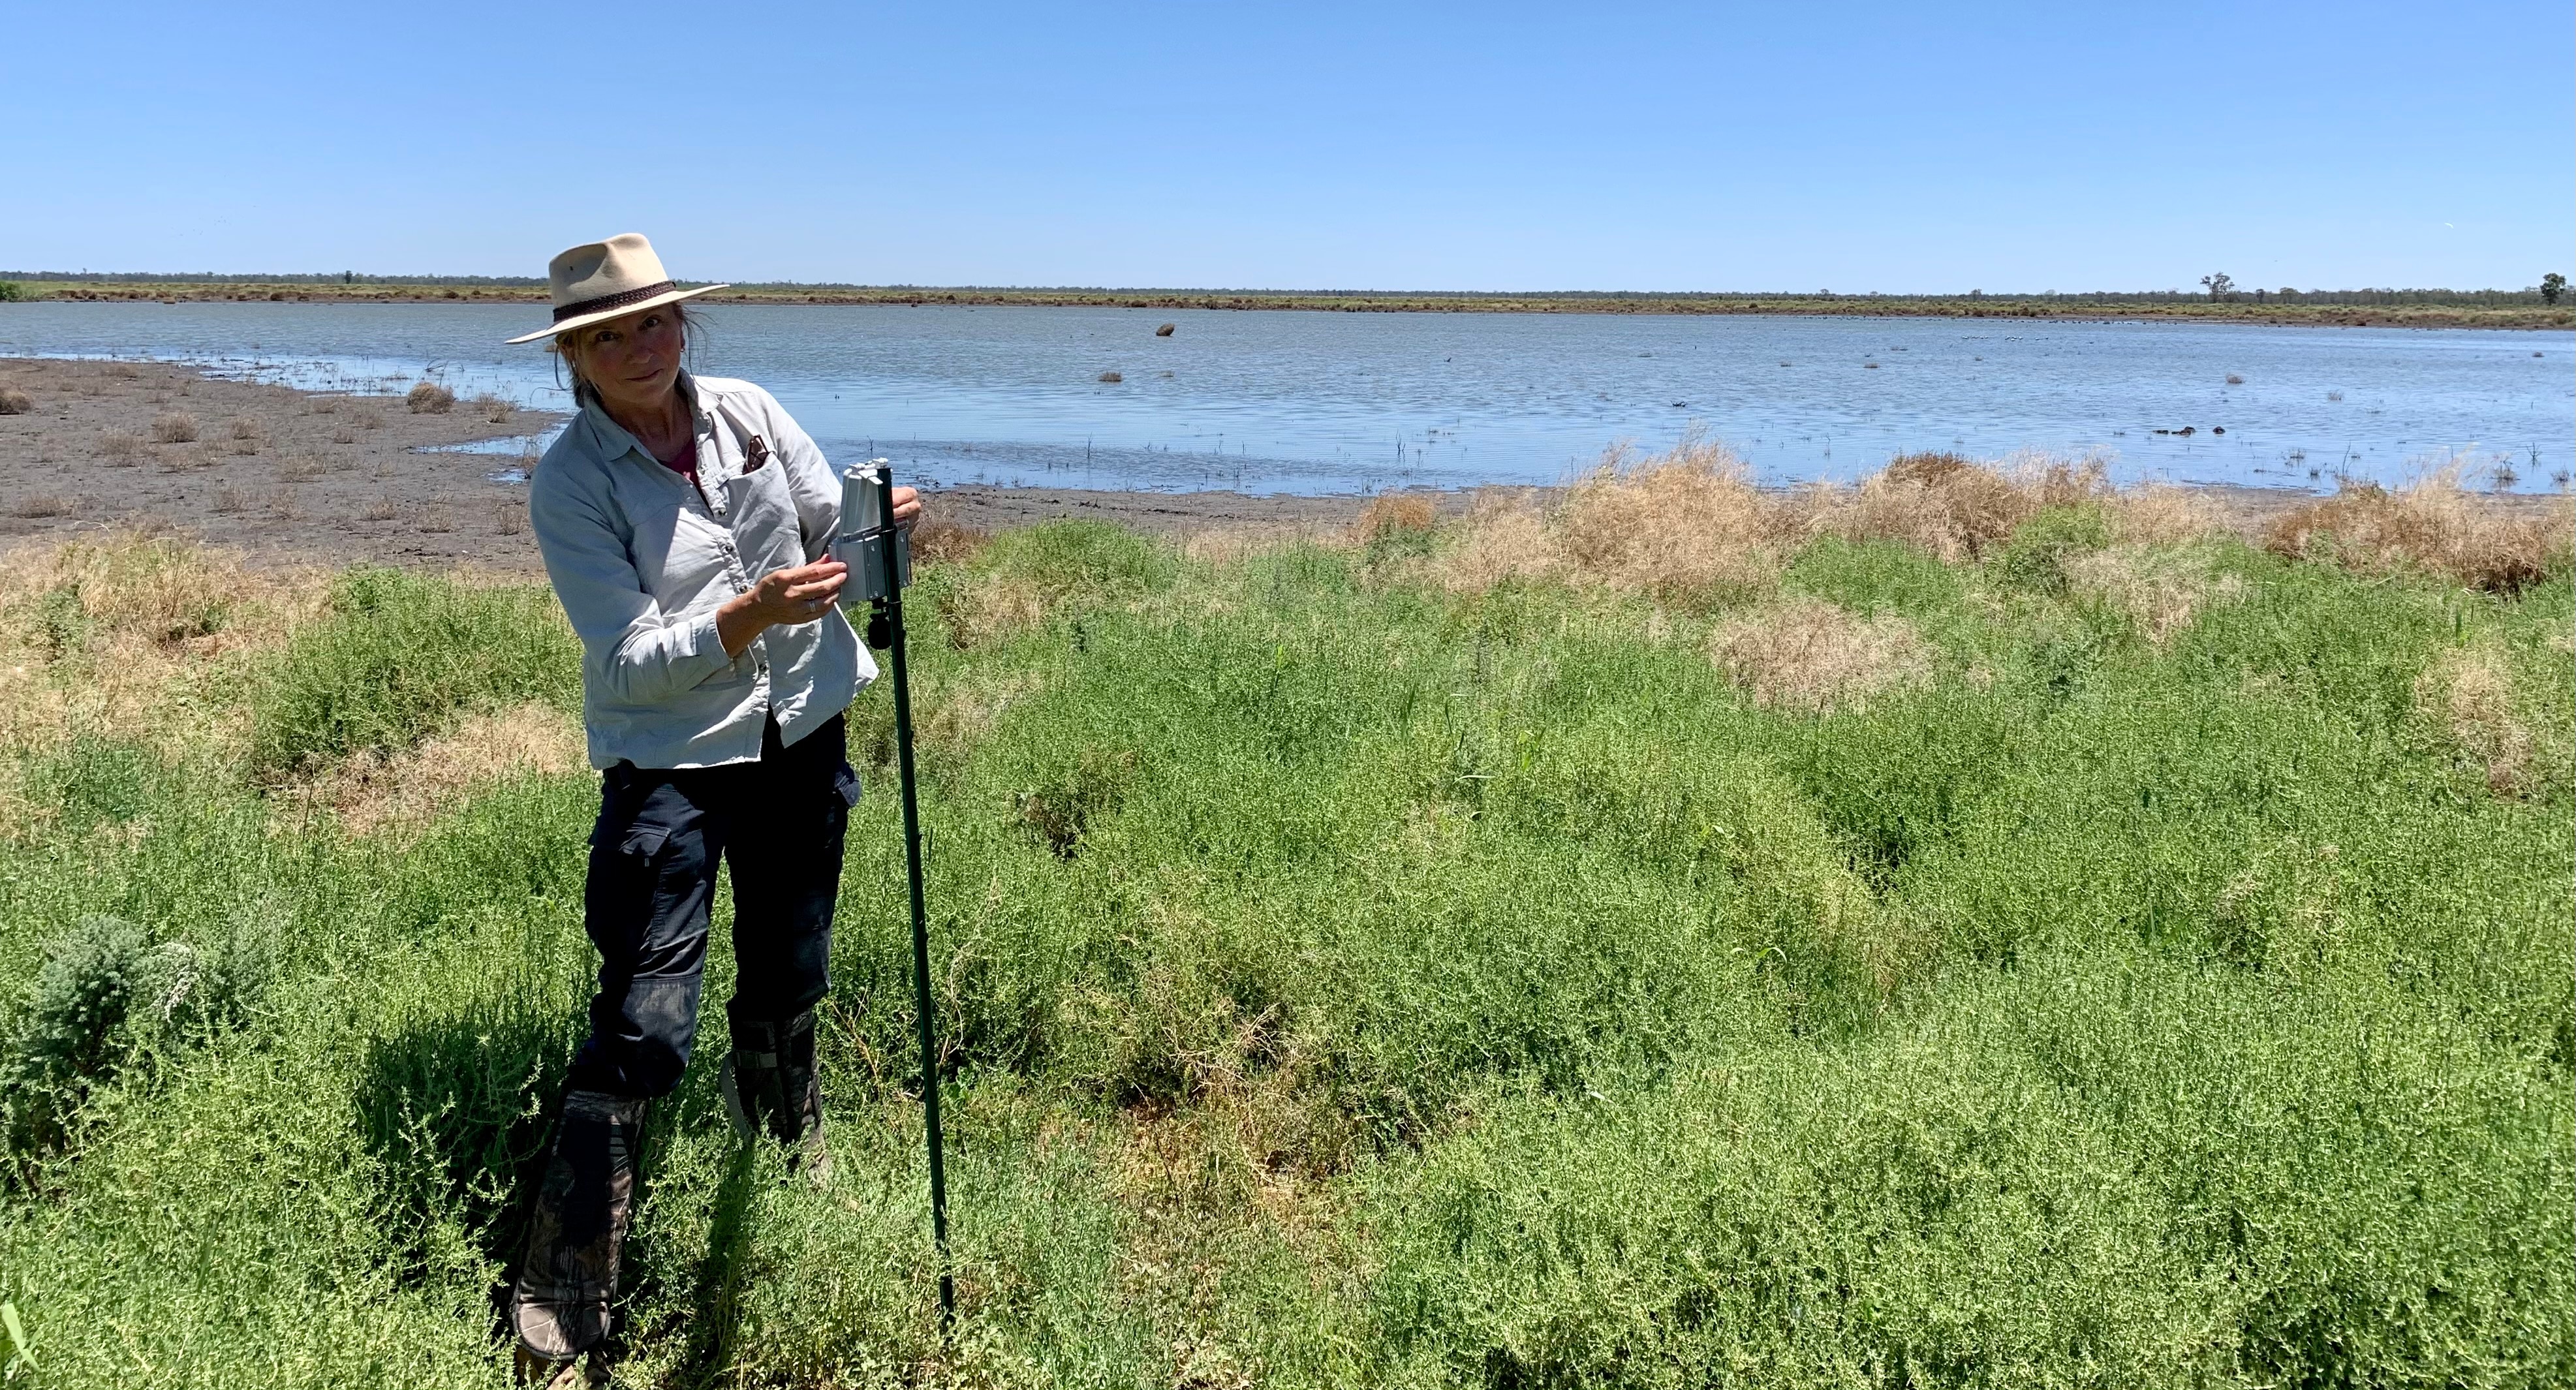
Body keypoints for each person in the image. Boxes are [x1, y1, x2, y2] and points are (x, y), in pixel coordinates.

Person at [503, 233, 918, 1385]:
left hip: (804, 733)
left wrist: (884, 532)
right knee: (646, 1014)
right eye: (607, 335)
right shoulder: (571, 479)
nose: (641, 347)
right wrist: (747, 617)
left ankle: (782, 1127)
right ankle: (568, 1267)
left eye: (655, 322)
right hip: (670, 765)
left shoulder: (746, 411)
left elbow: (833, 538)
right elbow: (628, 662)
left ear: (684, 324)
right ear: (572, 357)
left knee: (792, 967)